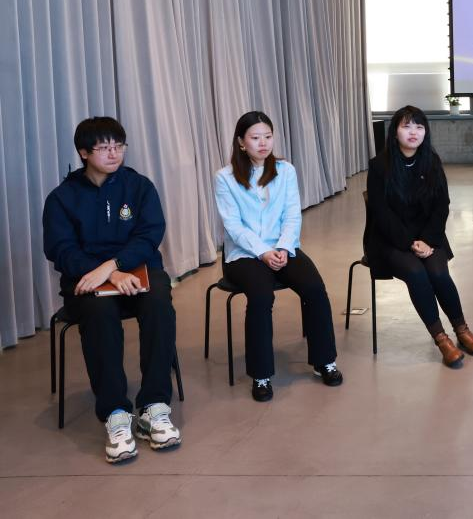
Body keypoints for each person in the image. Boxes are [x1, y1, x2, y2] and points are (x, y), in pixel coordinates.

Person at [43, 117, 181, 463]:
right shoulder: (62, 198)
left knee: (159, 300)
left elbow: (150, 235)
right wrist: (108, 274)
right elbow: (60, 249)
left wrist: (114, 266)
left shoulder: (139, 187)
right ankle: (116, 414)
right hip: (87, 279)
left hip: (137, 271)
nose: (113, 153)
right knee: (99, 312)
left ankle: (154, 406)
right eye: (104, 148)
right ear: (84, 153)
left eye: (119, 146)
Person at [214, 111, 341, 402]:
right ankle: (261, 375)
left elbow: (292, 214)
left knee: (314, 288)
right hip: (244, 253)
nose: (263, 143)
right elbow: (233, 225)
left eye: (268, 136)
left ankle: (325, 360)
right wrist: (262, 252)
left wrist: (283, 248)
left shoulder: (286, 171)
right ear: (241, 142)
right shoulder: (225, 178)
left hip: (283, 247)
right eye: (255, 137)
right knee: (261, 295)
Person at [365, 106, 473, 369]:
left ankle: (461, 329)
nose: (413, 132)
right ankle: (441, 339)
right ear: (395, 131)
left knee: (439, 273)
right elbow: (380, 213)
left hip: (429, 236)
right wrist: (409, 242)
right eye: (406, 126)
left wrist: (428, 240)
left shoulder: (431, 161)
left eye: (419, 127)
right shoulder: (379, 165)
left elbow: (442, 205)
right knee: (416, 273)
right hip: (391, 239)